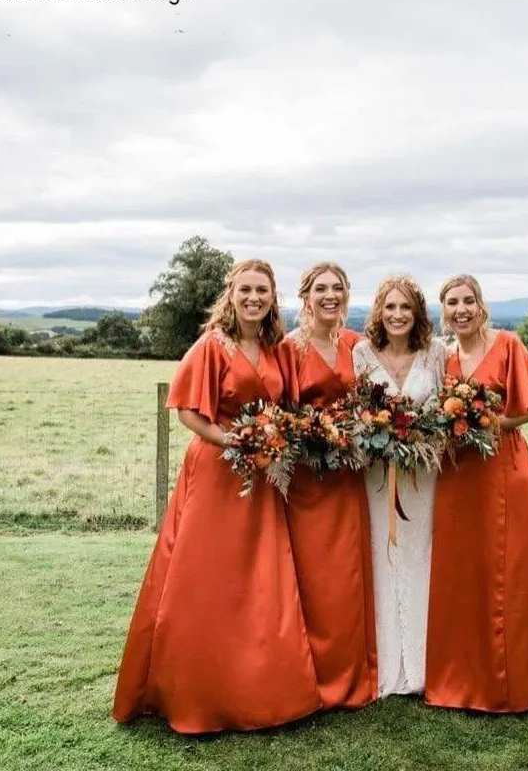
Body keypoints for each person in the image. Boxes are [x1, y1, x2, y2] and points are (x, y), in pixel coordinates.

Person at [112, 259, 321, 734]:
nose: (254, 298)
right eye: (245, 290)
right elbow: (187, 412)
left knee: (261, 576)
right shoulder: (211, 346)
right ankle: (197, 690)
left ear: (272, 297)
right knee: (208, 574)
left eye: (262, 291)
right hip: (216, 472)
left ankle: (260, 687)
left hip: (263, 475)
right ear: (231, 294)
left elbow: (288, 405)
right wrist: (232, 440)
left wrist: (277, 437)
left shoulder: (274, 347)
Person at [425, 274, 528, 713]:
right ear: (443, 311)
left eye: (468, 301)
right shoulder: (443, 358)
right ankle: (462, 680)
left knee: (508, 574)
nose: (460, 309)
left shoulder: (507, 344)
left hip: (503, 470)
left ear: (481, 306)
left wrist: (494, 424)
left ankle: (513, 682)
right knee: (462, 576)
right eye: (452, 302)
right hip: (457, 477)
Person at [277, 262, 378, 709]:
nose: (330, 296)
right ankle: (309, 674)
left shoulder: (358, 345)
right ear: (306, 296)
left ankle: (352, 674)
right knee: (311, 577)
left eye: (338, 288)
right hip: (306, 480)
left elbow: (374, 402)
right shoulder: (287, 348)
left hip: (349, 478)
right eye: (321, 289)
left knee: (347, 576)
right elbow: (278, 410)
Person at [351, 275, 445, 698]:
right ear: (378, 311)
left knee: (420, 558)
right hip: (376, 476)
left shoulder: (435, 353)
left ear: (418, 313)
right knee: (382, 558)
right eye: (390, 307)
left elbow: (443, 413)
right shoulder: (362, 353)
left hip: (423, 476)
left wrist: (421, 442)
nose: (397, 315)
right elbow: (356, 414)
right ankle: (387, 666)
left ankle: (423, 667)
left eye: (405, 307)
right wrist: (378, 438)